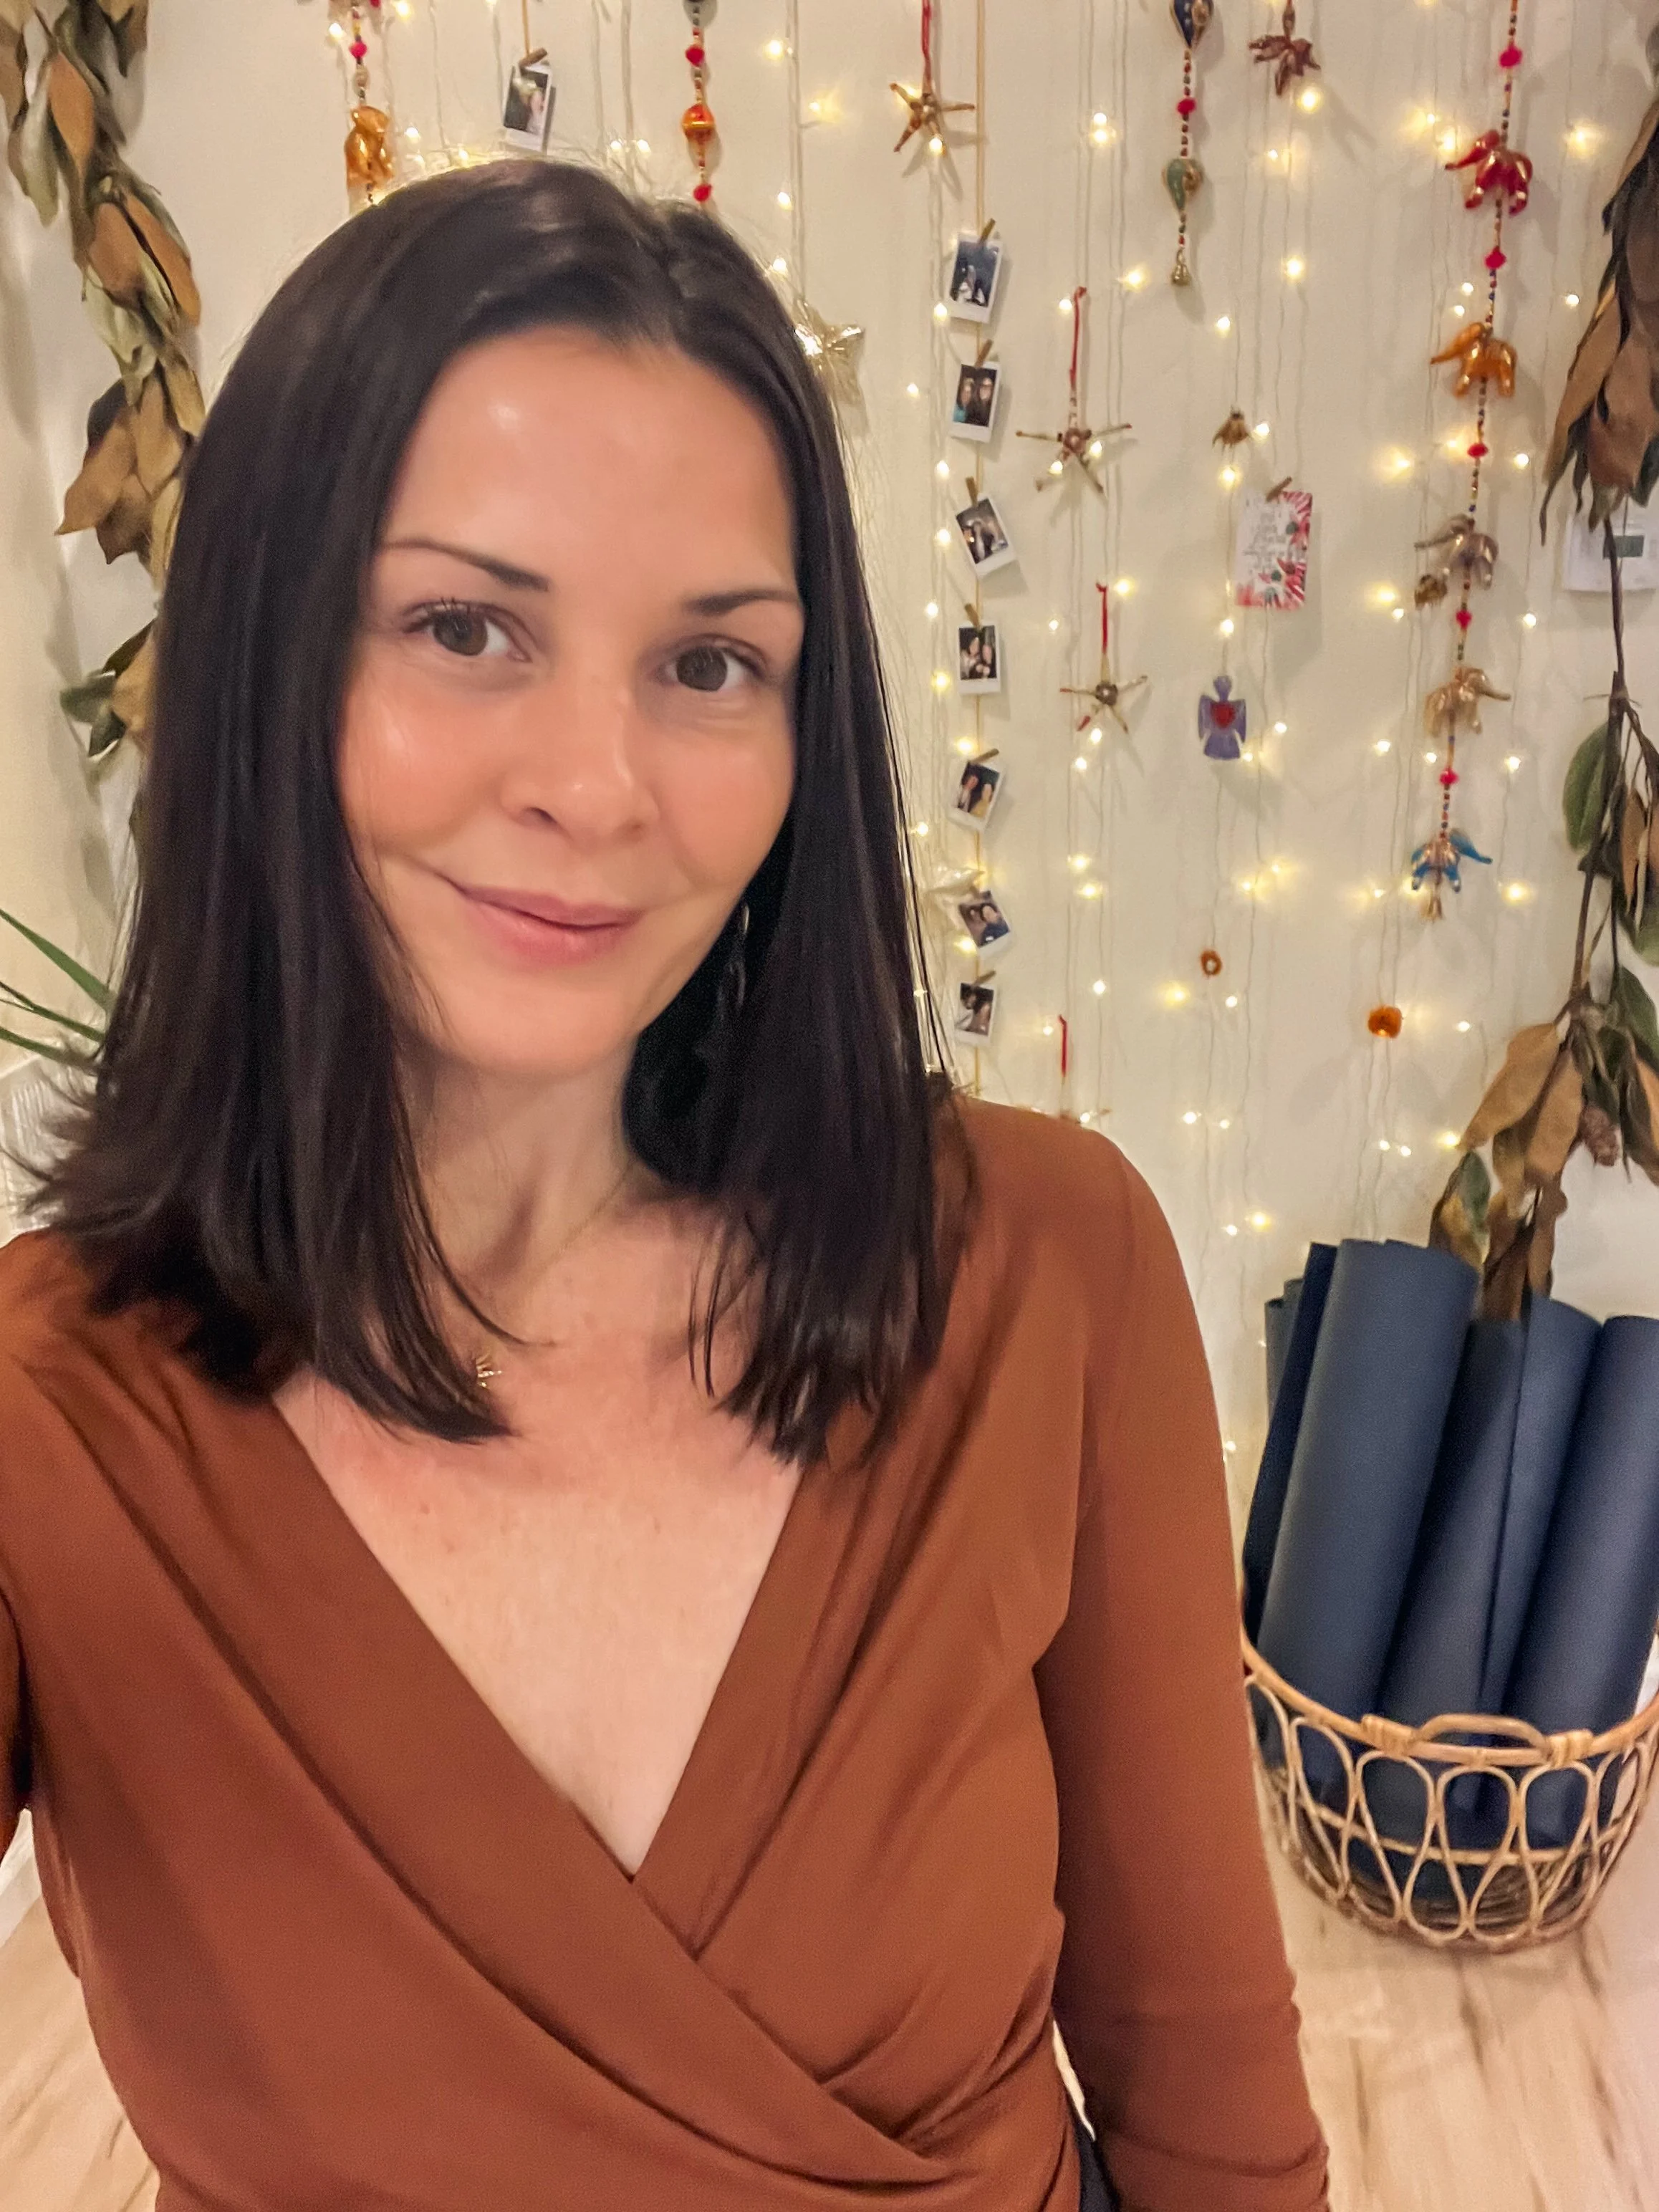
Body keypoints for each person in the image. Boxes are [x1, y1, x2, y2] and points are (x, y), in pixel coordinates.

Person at [0, 160, 1328, 2212]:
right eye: (464, 627)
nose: (599, 786)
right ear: (268, 665)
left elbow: (1208, 2106)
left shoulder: (1041, 1266)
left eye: (710, 665)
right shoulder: (51, 1419)